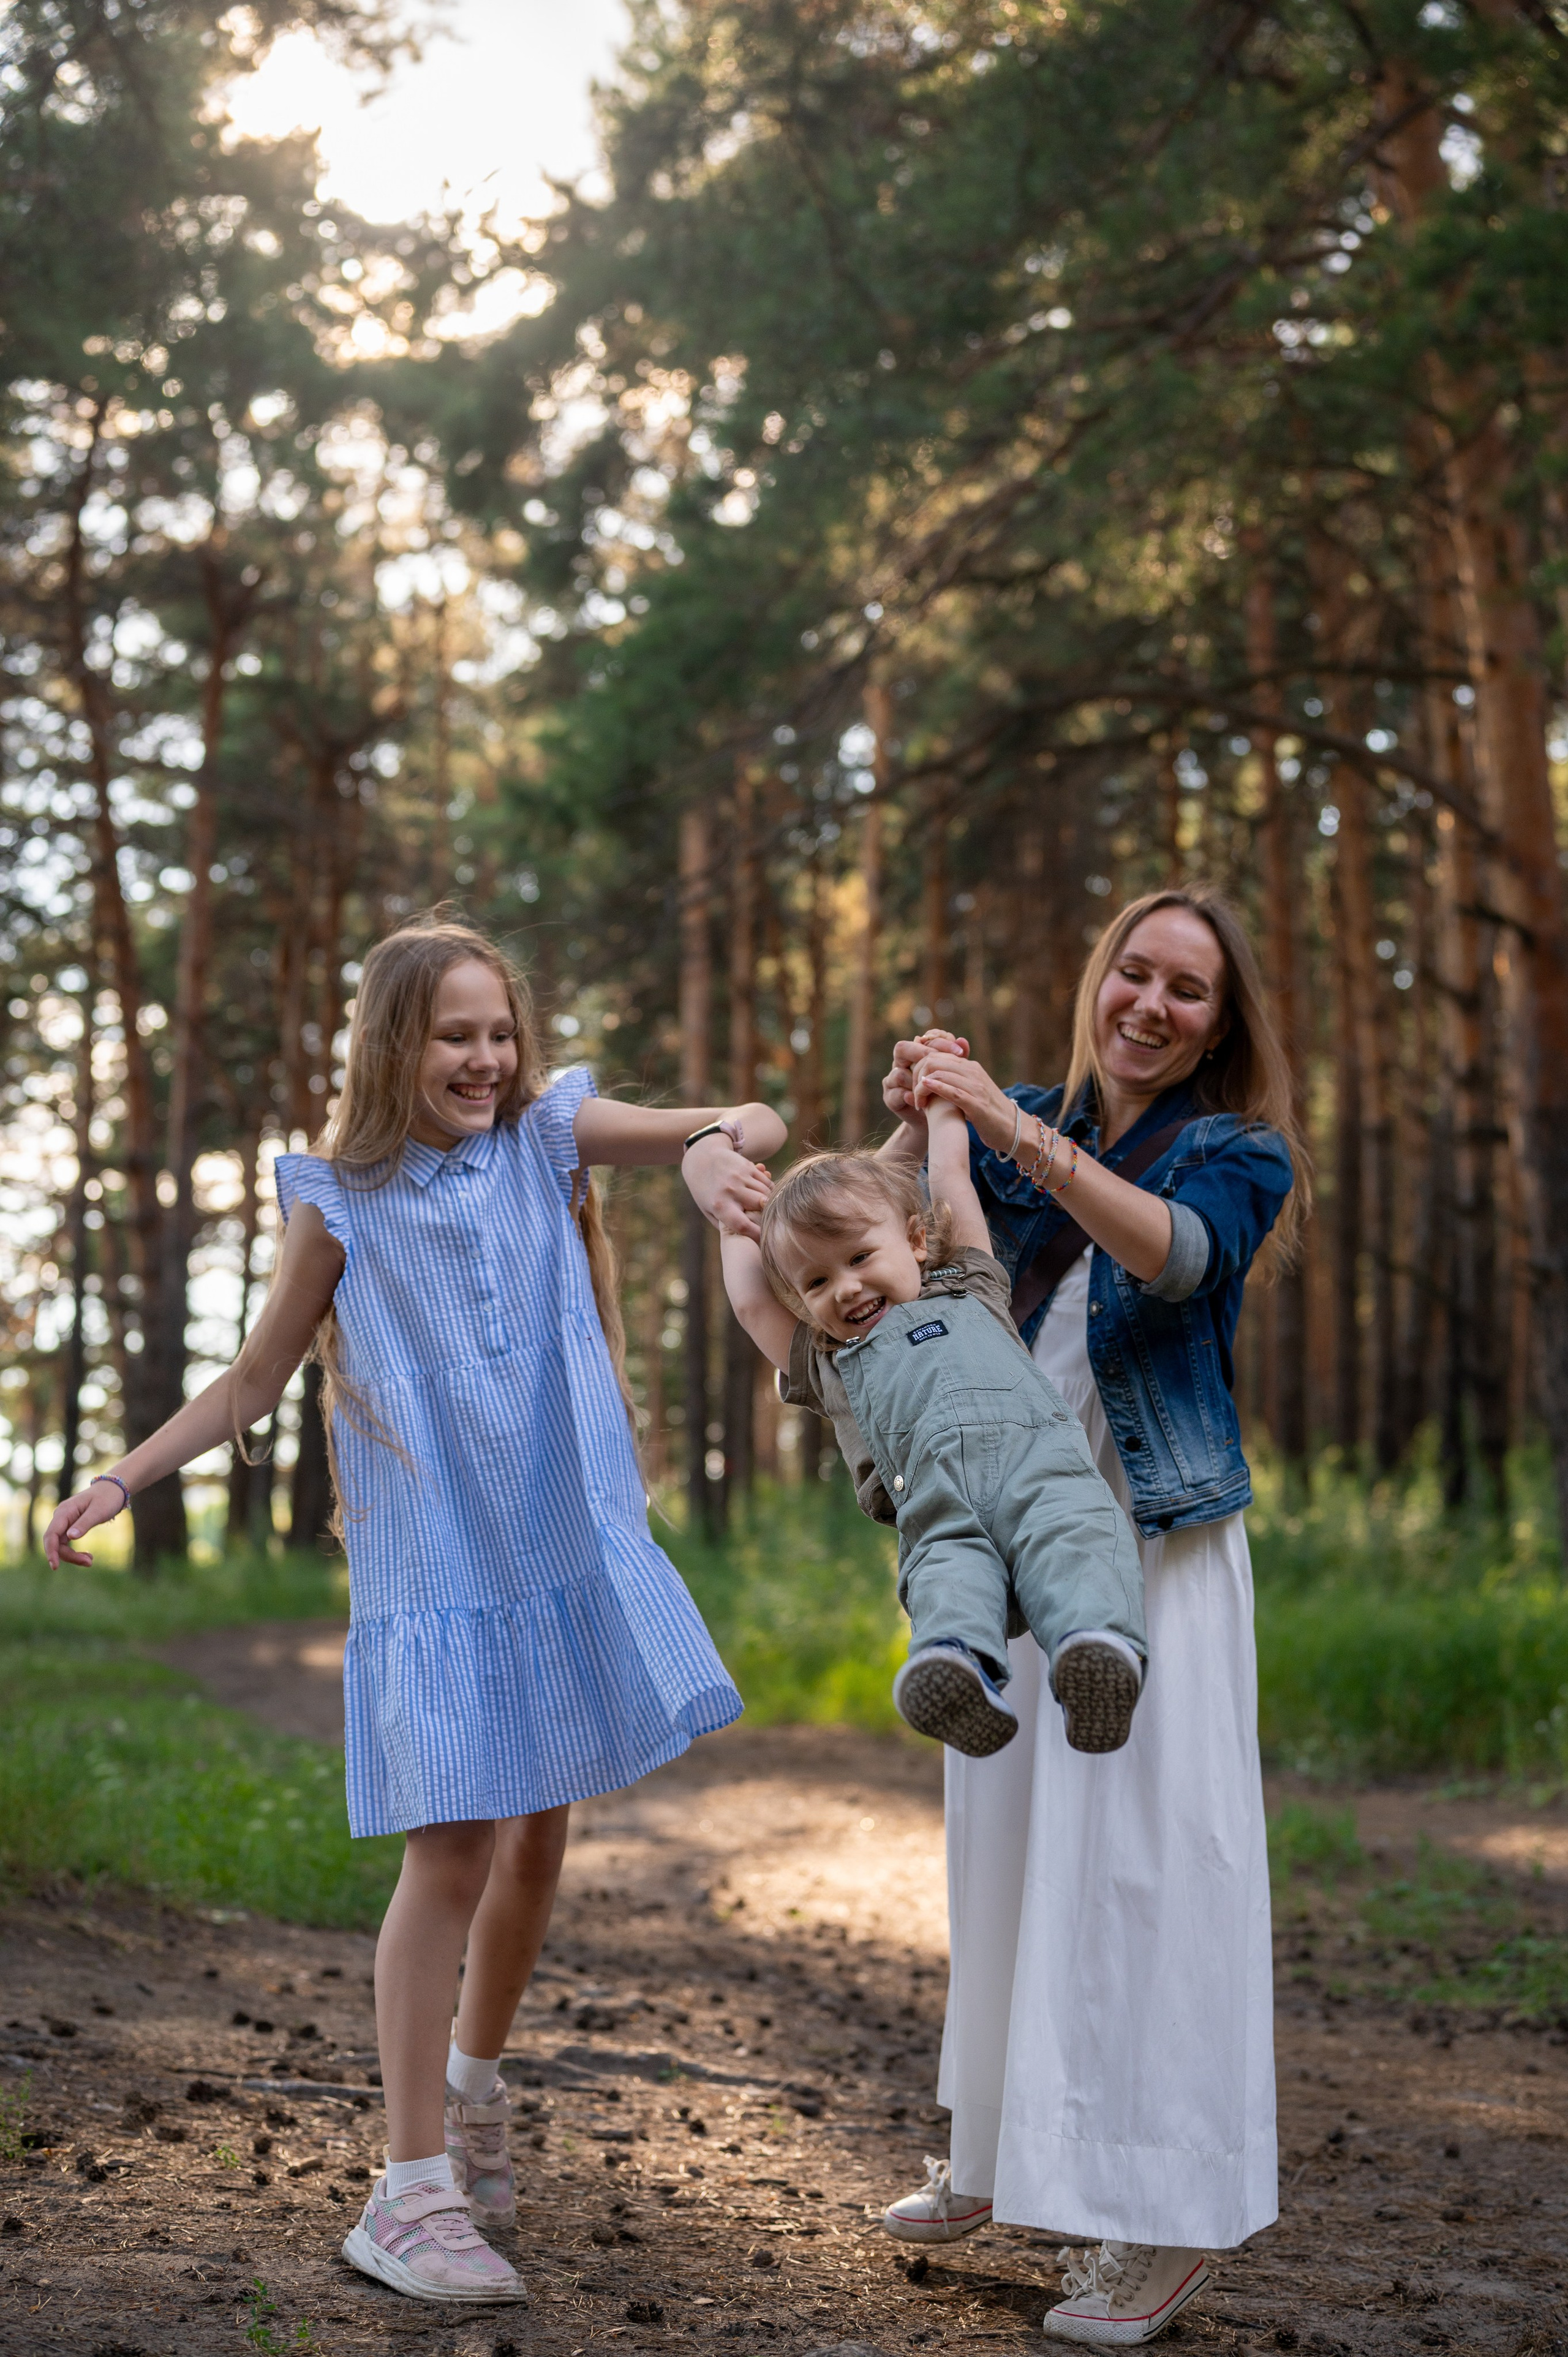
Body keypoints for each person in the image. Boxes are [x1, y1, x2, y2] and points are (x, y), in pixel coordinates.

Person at [43, 916, 785, 2309]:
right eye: (457, 1034)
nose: (487, 1058)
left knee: (539, 1835)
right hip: (436, 1561)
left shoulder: (549, 1135)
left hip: (553, 1537)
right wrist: (119, 1471)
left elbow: (757, 1111)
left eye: (499, 1031)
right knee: (447, 1849)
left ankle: (473, 2085)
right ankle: (408, 2185)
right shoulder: (342, 1197)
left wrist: (701, 1147)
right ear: (396, 1043)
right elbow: (252, 1380)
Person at [874, 888, 1303, 2348]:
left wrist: (1002, 1127)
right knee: (1001, 1852)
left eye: (1186, 990)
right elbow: (928, 1262)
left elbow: (1169, 1257)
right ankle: (995, 2152)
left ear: (1216, 1024)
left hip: (1151, 1542)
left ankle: (1169, 2218)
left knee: (1143, 1869)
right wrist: (921, 1122)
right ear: (1096, 973)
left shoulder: (1234, 1152)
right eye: (1133, 969)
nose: (1149, 1003)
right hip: (1011, 1536)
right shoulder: (1025, 1111)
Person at [720, 1091, 1146, 1758]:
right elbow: (750, 1302)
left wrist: (944, 1108)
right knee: (947, 1575)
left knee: (1075, 1537)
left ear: (917, 1240)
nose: (847, 1288)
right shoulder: (828, 1359)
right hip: (938, 1504)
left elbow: (950, 1181)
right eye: (817, 1282)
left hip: (1040, 1471)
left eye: (860, 1257)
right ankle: (957, 1666)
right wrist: (729, 1222)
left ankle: (1093, 1650)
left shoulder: (973, 1284)